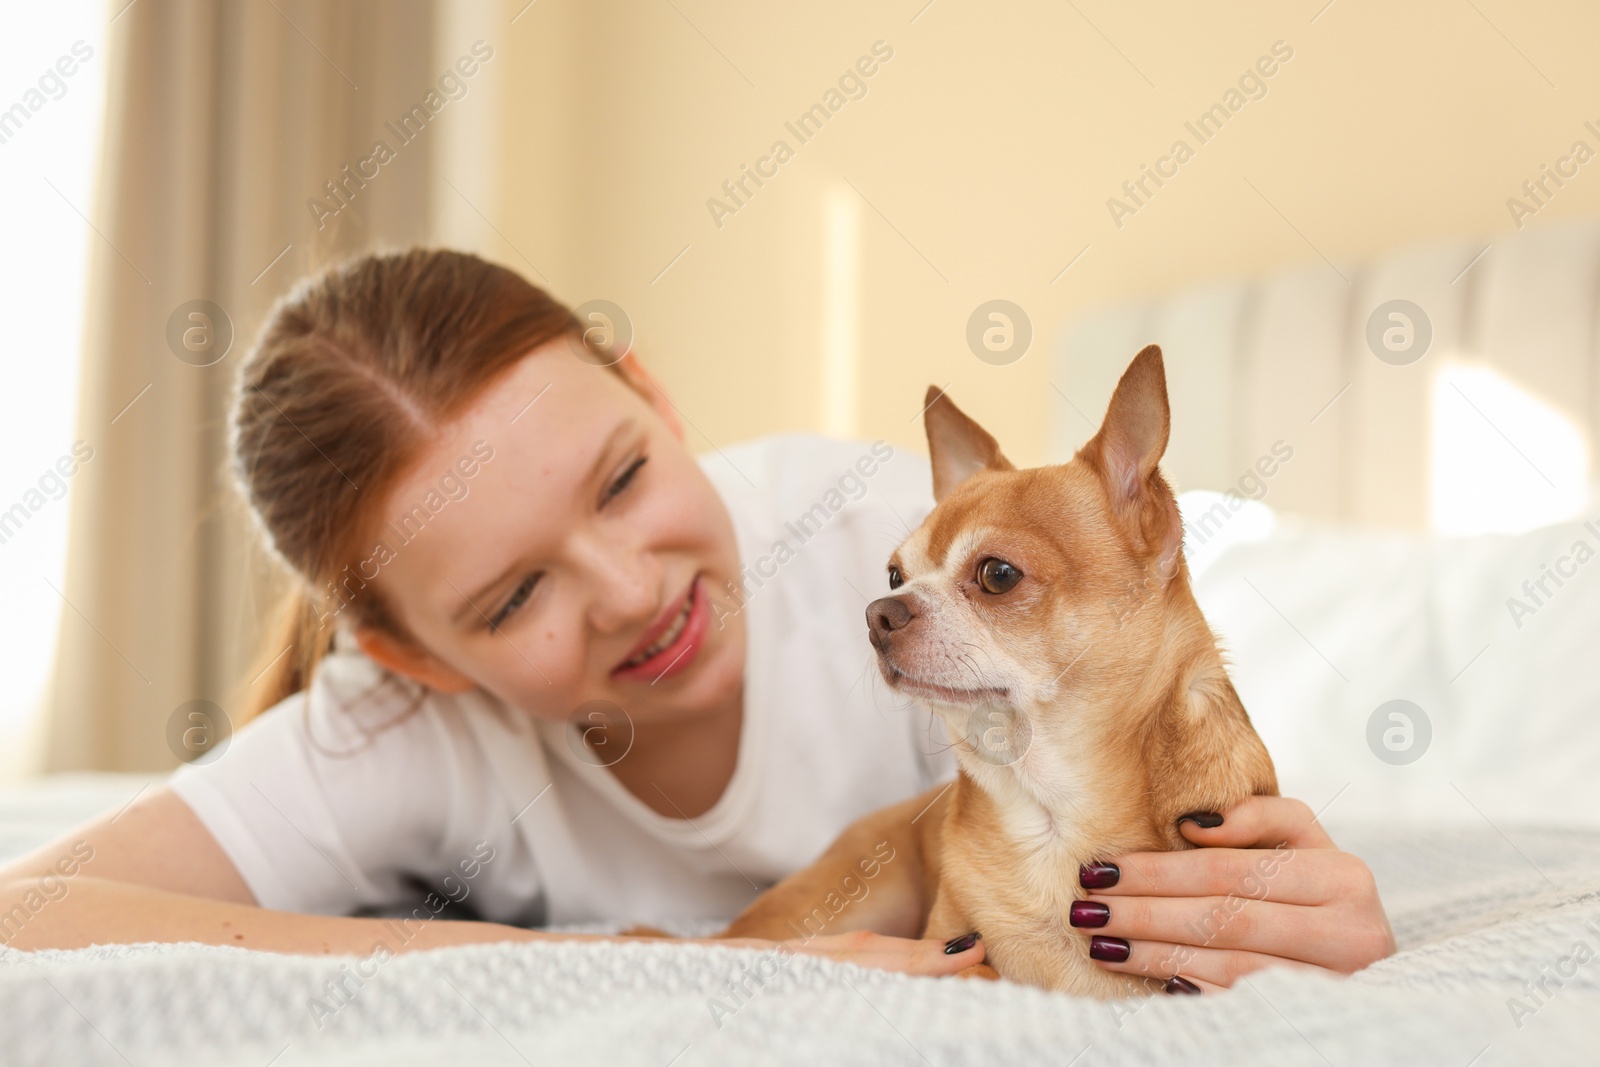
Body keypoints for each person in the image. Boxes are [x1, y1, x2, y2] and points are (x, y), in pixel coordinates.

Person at [0, 250, 1393, 991]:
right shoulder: (391, 727)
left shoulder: (890, 555)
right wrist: (609, 964)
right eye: (515, 595)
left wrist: (1286, 892)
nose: (632, 590)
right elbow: (28, 912)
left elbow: (1170, 737)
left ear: (660, 402)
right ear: (415, 657)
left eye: (623, 478)